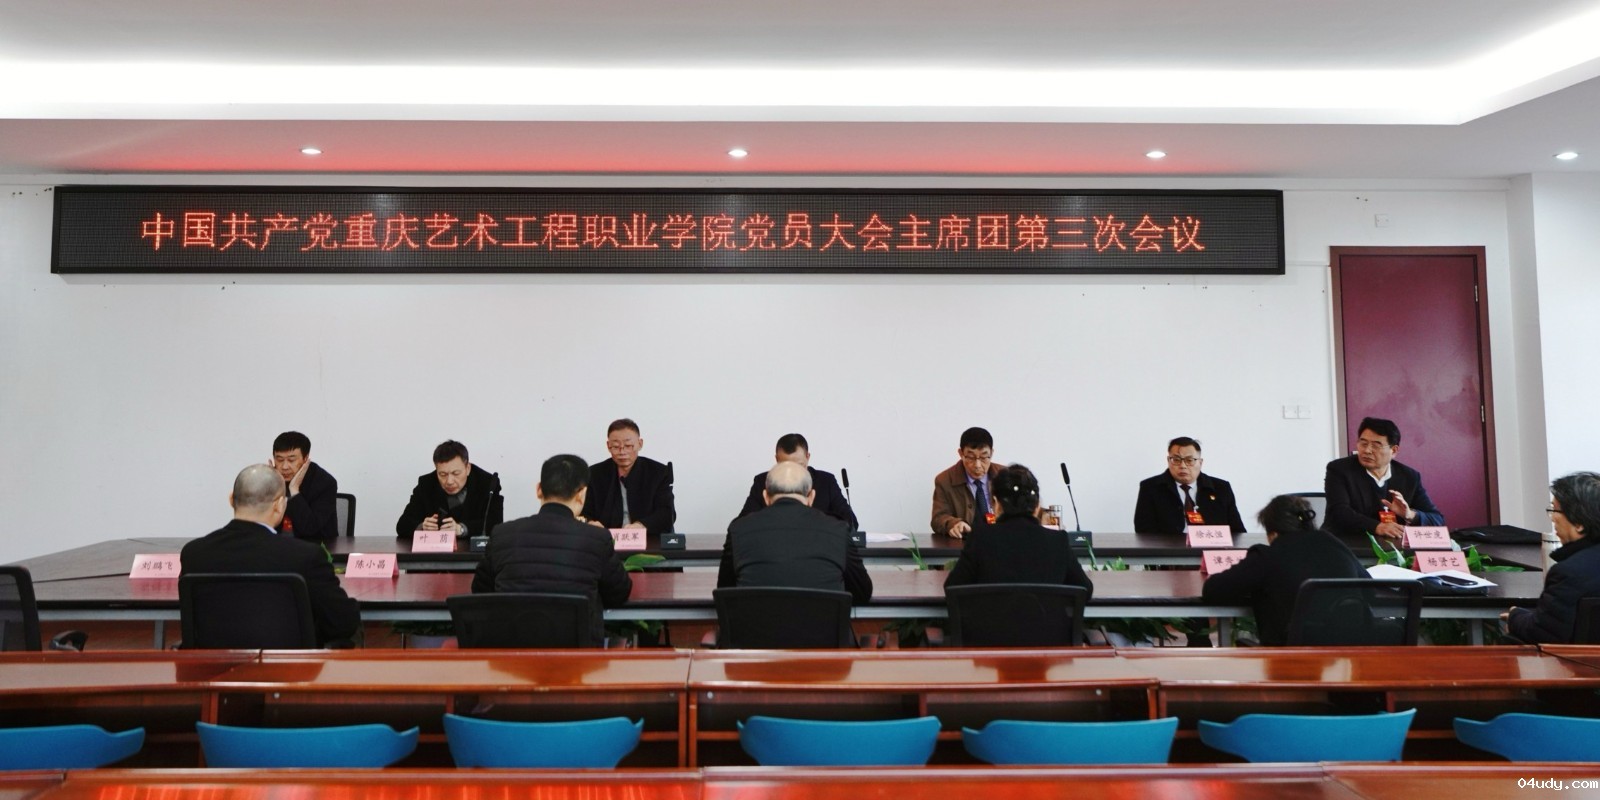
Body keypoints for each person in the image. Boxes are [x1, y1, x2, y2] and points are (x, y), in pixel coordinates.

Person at [180, 463, 360, 646]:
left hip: (211, 663)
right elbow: (343, 622)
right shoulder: (305, 557)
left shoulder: (194, 554)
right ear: (280, 505)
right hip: (286, 663)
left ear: (231, 499)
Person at [472, 454, 632, 642]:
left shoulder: (502, 534)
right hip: (578, 654)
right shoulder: (597, 538)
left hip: (514, 652)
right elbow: (619, 593)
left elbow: (481, 591)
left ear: (539, 489)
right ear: (581, 494)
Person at [1200, 494, 1367, 646]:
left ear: (1272, 533)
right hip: (1348, 655)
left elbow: (1213, 590)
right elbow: (1369, 587)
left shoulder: (1267, 556)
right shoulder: (1334, 544)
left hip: (1287, 657)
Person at [719, 461, 872, 604]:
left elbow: (725, 593)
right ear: (811, 497)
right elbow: (862, 592)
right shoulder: (838, 531)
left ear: (765, 497)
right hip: (822, 624)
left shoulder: (738, 530)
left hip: (755, 624)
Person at [944, 464, 1094, 596]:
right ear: (1037, 506)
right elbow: (1085, 589)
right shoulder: (1058, 541)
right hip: (1044, 621)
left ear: (996, 503)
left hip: (991, 621)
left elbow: (952, 588)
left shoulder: (980, 538)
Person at [1503, 472, 1600, 643]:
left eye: (1556, 510)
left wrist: (1515, 617)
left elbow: (1543, 634)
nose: (1553, 518)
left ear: (1579, 523)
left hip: (1578, 661)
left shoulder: (1569, 573)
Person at [1323, 417, 1445, 539]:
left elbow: (1436, 519)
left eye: (1376, 446)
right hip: (1347, 542)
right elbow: (1339, 512)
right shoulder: (1340, 470)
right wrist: (1377, 527)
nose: (1367, 450)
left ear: (1394, 450)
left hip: (1393, 546)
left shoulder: (1409, 477)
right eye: (1363, 443)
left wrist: (1409, 514)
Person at [734, 433, 856, 529]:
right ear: (776, 459)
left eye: (798, 466)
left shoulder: (826, 481)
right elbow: (742, 523)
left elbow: (850, 522)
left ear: (808, 457)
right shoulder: (762, 481)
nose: (792, 472)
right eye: (785, 466)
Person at [1132, 437, 1246, 535]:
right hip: (1169, 551)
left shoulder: (1221, 488)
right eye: (1176, 460)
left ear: (1200, 462)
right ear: (1168, 461)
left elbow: (1237, 531)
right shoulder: (1150, 488)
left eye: (1189, 460)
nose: (1183, 465)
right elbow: (1144, 532)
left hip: (1211, 549)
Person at [581, 418, 676, 534]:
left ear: (640, 444)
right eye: (616, 446)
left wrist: (641, 526)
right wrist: (590, 523)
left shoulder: (658, 472)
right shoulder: (594, 474)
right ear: (608, 446)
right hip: (606, 538)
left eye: (628, 445)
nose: (622, 452)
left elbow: (667, 513)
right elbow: (583, 511)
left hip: (648, 538)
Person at [395, 440, 505, 539]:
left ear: (467, 468)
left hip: (475, 552)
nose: (449, 481)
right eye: (442, 474)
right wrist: (422, 527)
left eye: (456, 473)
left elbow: (496, 524)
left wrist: (461, 529)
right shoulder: (426, 484)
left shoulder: (488, 483)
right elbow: (402, 525)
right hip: (436, 552)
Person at [931, 426, 1005, 539]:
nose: (977, 465)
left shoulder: (1005, 476)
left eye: (984, 457)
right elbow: (938, 518)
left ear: (992, 453)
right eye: (970, 457)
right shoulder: (944, 480)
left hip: (1001, 539)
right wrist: (953, 524)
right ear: (961, 453)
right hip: (965, 542)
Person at [271, 431, 339, 542]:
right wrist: (270, 484)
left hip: (316, 546)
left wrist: (294, 490)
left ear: (305, 458)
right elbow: (260, 525)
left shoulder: (325, 483)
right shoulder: (271, 480)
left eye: (291, 460)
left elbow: (310, 528)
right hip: (277, 546)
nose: (284, 467)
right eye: (279, 459)